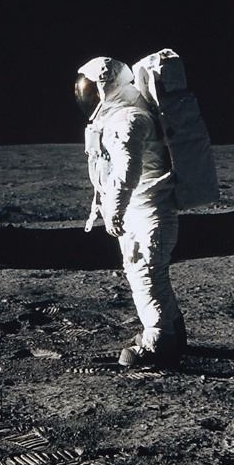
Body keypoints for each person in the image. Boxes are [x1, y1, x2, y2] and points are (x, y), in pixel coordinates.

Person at [75, 56, 187, 368]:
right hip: (145, 211)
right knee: (150, 274)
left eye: (89, 91)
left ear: (107, 89)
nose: (85, 98)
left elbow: (127, 172)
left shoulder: (127, 120)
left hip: (150, 213)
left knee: (145, 275)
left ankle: (158, 342)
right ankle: (173, 331)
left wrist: (114, 210)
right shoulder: (123, 116)